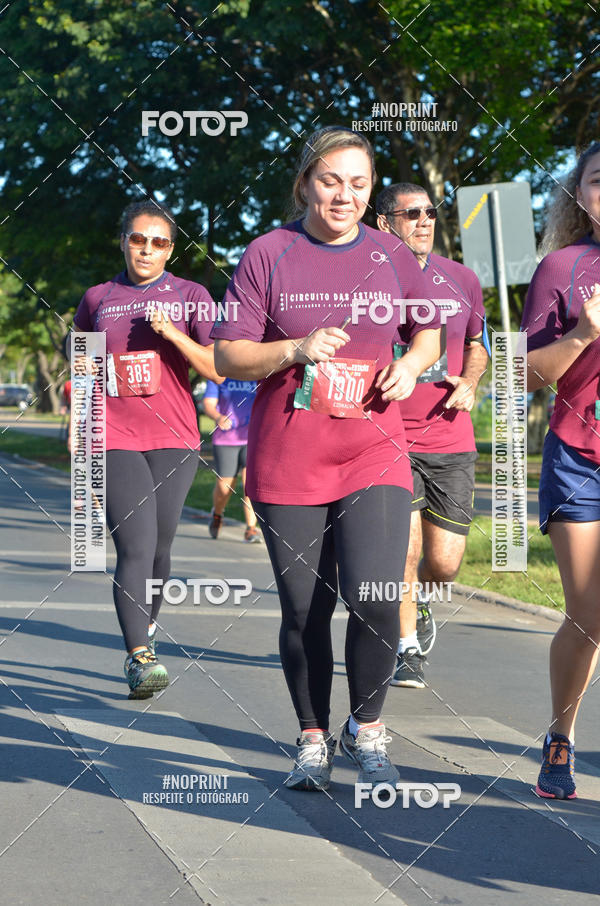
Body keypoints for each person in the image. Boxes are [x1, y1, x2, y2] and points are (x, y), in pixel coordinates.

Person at [212, 126, 442, 791]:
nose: (345, 195)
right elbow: (229, 354)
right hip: (291, 455)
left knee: (375, 598)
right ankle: (313, 737)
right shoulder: (269, 253)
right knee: (304, 608)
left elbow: (428, 333)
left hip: (373, 449)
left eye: (359, 183)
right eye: (331, 180)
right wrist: (295, 348)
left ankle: (366, 728)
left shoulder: (392, 252)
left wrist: (411, 366)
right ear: (305, 183)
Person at [71, 199, 221, 699]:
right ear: (123, 241)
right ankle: (138, 656)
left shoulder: (192, 295)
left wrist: (173, 333)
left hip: (175, 437)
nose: (146, 249)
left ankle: (147, 629)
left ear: (170, 249)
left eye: (158, 242)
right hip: (113, 435)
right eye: (138, 239)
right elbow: (81, 359)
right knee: (134, 545)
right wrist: (78, 423)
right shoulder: (98, 298)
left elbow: (217, 368)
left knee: (159, 548)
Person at [376, 183, 489, 688]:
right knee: (404, 550)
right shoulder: (367, 281)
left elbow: (478, 345)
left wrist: (471, 381)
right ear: (385, 223)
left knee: (443, 564)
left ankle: (421, 599)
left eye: (431, 212)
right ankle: (406, 648)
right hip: (387, 435)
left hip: (450, 438)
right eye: (412, 213)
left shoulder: (461, 278)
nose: (425, 221)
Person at [521, 140, 600, 800]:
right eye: (599, 179)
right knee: (590, 613)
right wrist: (582, 334)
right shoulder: (562, 268)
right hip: (580, 456)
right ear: (581, 193)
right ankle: (561, 735)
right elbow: (524, 377)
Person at [202, 377, 261, 542]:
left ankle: (251, 529)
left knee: (250, 484)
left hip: (252, 438)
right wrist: (218, 417)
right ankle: (217, 514)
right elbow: (208, 404)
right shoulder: (219, 376)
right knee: (225, 487)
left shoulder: (255, 374)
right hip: (226, 439)